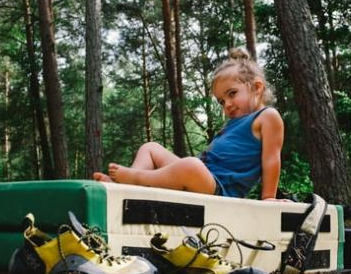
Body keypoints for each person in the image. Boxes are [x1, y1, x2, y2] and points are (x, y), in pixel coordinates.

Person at [93, 47, 284, 200]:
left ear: (257, 87)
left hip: (220, 190)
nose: (227, 104)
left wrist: (268, 197)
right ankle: (125, 187)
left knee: (191, 166)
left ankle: (136, 180)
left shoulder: (267, 117)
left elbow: (271, 159)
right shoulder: (233, 124)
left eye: (232, 93)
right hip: (203, 176)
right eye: (221, 101)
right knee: (151, 148)